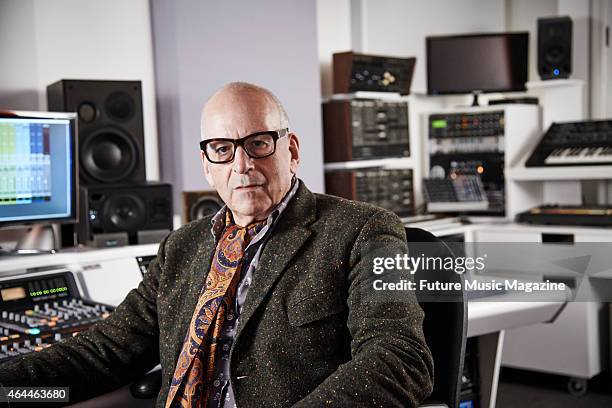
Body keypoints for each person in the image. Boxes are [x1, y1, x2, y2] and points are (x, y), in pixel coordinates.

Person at [0, 82, 433, 407]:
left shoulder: (364, 231)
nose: (242, 164)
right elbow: (105, 351)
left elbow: (399, 357)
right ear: (207, 166)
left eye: (259, 143)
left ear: (292, 150)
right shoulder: (180, 249)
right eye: (223, 149)